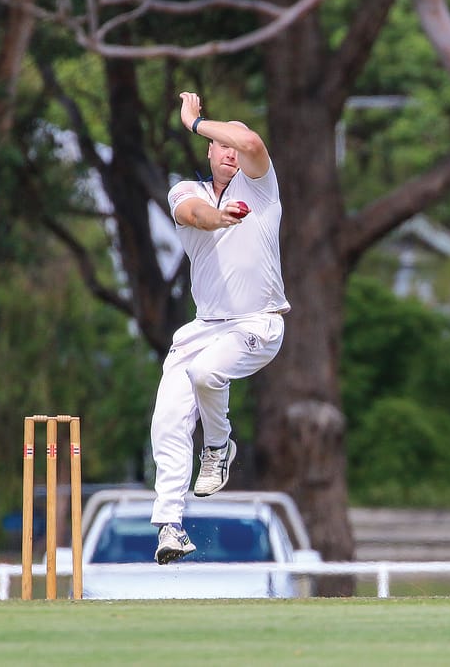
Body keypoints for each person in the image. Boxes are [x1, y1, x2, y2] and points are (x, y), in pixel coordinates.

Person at [150, 92, 289, 564]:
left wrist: (195, 122)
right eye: (220, 144)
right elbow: (193, 215)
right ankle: (170, 525)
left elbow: (249, 139)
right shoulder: (185, 191)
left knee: (207, 373)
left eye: (231, 141)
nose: (230, 150)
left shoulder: (261, 186)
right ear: (209, 154)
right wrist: (219, 219)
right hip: (205, 326)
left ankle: (217, 446)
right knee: (168, 416)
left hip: (259, 322)